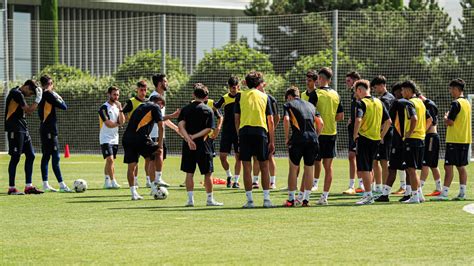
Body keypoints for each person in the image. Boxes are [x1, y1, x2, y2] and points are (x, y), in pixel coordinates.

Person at [178, 83, 223, 207]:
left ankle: (190, 200)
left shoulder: (186, 109)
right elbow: (209, 129)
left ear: (193, 95)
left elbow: (180, 126)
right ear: (205, 97)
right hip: (204, 145)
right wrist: (194, 137)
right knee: (208, 173)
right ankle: (209, 200)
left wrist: (189, 139)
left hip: (188, 145)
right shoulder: (208, 110)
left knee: (189, 173)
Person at [235, 71, 275, 208]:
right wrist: (272, 140)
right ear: (259, 83)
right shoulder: (265, 97)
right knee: (264, 166)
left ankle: (250, 201)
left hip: (244, 132)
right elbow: (270, 121)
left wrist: (239, 136)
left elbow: (236, 118)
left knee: (246, 167)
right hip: (260, 132)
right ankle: (266, 200)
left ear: (246, 83)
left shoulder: (240, 96)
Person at [352, 80, 391, 205]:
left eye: (356, 92)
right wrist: (381, 135)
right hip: (375, 140)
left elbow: (358, 119)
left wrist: (355, 134)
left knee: (364, 168)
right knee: (369, 168)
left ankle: (368, 195)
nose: (356, 95)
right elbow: (388, 121)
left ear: (359, 90)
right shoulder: (379, 102)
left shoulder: (362, 103)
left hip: (364, 138)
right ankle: (369, 194)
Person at [283, 86, 323, 207]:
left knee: (293, 168)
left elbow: (286, 119)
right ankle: (306, 200)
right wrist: (316, 135)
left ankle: (291, 199)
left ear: (289, 97)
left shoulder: (289, 105)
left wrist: (286, 137)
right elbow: (320, 123)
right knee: (309, 168)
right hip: (312, 139)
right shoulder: (311, 105)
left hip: (298, 139)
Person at [432, 79, 471, 201]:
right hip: (465, 139)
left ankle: (444, 193)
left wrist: (445, 118)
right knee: (461, 166)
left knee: (448, 166)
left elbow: (450, 122)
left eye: (451, 89)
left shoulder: (455, 103)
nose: (450, 91)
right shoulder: (467, 103)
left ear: (456, 89)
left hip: (454, 139)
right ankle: (462, 193)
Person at [5, 80, 44, 195]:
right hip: (15, 129)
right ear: (26, 87)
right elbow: (29, 111)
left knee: (31, 155)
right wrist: (38, 99)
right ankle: (11, 188)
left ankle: (28, 186)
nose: (30, 95)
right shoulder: (16, 93)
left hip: (23, 129)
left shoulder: (19, 93)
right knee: (15, 158)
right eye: (31, 93)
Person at [122, 95, 165, 200]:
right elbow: (161, 126)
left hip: (127, 138)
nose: (161, 109)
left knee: (132, 166)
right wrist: (159, 144)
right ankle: (158, 179)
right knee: (158, 151)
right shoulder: (155, 107)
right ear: (159, 102)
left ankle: (134, 194)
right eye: (162, 106)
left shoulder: (141, 106)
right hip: (140, 139)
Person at [375, 83, 410, 202]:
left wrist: (381, 135)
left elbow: (388, 121)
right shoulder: (415, 103)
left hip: (399, 139)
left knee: (394, 167)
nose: (395, 96)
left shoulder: (398, 103)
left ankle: (387, 194)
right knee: (407, 168)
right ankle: (410, 193)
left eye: (397, 93)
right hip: (412, 139)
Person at [314, 67, 344, 205]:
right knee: (328, 166)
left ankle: (305, 195)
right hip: (332, 133)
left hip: (317, 133)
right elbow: (340, 116)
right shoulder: (336, 94)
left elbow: (310, 113)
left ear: (320, 78)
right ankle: (324, 196)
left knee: (311, 164)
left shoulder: (316, 94)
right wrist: (330, 118)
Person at [38, 75, 72, 192]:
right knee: (55, 156)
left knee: (46, 156)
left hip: (44, 129)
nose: (52, 86)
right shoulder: (48, 94)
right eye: (51, 83)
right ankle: (62, 185)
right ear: (49, 84)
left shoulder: (41, 94)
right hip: (49, 130)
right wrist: (58, 96)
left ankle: (45, 184)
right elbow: (64, 107)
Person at [400, 80, 432, 204]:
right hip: (420, 139)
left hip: (412, 140)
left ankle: (414, 197)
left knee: (411, 169)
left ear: (408, 90)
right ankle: (419, 194)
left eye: (403, 90)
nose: (402, 92)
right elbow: (430, 119)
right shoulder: (421, 103)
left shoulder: (410, 103)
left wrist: (409, 132)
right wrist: (422, 130)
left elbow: (414, 118)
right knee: (412, 169)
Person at [149, 73, 181, 187]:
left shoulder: (160, 97)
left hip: (160, 133)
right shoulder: (154, 98)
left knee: (159, 156)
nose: (167, 83)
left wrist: (176, 129)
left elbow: (163, 119)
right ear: (159, 83)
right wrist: (173, 115)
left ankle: (155, 180)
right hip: (153, 133)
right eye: (165, 81)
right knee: (154, 157)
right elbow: (156, 118)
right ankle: (154, 181)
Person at [214, 76, 242, 188]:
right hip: (226, 131)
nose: (233, 90)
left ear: (238, 87)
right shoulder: (225, 98)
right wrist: (219, 115)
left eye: (234, 87)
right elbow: (215, 107)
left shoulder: (242, 96)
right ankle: (229, 176)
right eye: (231, 88)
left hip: (239, 131)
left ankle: (236, 180)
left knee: (238, 156)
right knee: (222, 156)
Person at [252, 87, 280, 190]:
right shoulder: (253, 97)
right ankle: (255, 181)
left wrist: (270, 129)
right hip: (257, 131)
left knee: (270, 156)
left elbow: (277, 116)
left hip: (267, 132)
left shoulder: (271, 99)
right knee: (255, 156)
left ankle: (272, 182)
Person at [371, 75, 396, 195]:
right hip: (380, 132)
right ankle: (379, 187)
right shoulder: (384, 98)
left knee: (384, 161)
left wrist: (381, 135)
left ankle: (385, 189)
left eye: (376, 87)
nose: (375, 90)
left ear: (382, 85)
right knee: (376, 160)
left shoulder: (387, 99)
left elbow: (386, 119)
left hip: (386, 133)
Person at [122, 80, 148, 187]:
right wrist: (127, 119)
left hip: (145, 135)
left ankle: (149, 181)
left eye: (145, 90)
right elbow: (122, 112)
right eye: (141, 90)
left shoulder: (148, 102)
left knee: (149, 158)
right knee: (134, 161)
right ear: (137, 90)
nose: (143, 92)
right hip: (133, 136)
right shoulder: (131, 101)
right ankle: (135, 180)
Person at [342, 71, 364, 195]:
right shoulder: (352, 94)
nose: (347, 83)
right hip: (353, 129)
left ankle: (363, 185)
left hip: (361, 130)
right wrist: (352, 118)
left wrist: (358, 121)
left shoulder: (362, 94)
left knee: (361, 157)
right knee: (351, 156)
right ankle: (352, 185)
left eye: (348, 81)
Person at [99, 86, 125, 189]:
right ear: (109, 94)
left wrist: (121, 110)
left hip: (115, 138)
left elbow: (122, 121)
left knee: (110, 160)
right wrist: (119, 124)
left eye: (118, 95)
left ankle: (106, 182)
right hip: (105, 137)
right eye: (114, 94)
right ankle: (113, 181)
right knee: (110, 160)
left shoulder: (118, 107)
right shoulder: (103, 108)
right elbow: (108, 124)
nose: (116, 97)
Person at [418, 93, 442, 196]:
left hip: (431, 136)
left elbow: (431, 121)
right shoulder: (429, 104)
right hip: (431, 136)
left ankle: (419, 188)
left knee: (426, 163)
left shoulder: (429, 105)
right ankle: (438, 188)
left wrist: (421, 131)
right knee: (432, 164)